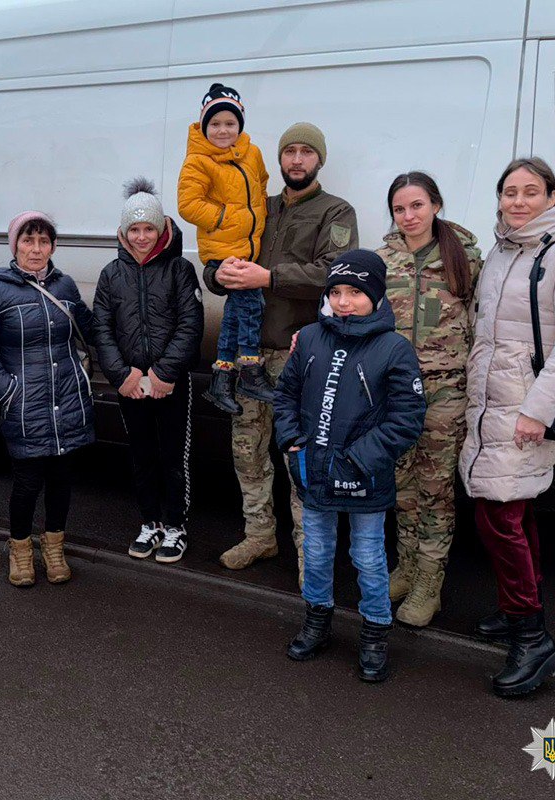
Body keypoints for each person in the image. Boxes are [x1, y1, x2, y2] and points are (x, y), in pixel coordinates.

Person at [458, 157, 555, 697]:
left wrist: (536, 410)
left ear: (551, 196)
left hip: (523, 405)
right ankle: (521, 603)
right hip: (491, 401)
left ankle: (533, 640)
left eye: (530, 192)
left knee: (500, 515)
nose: (518, 202)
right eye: (509, 192)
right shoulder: (503, 249)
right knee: (513, 510)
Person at [202, 122, 358, 579]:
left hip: (301, 357)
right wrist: (220, 275)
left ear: (319, 160)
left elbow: (334, 273)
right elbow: (216, 258)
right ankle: (259, 535)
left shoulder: (336, 212)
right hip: (248, 356)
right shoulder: (258, 208)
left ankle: (310, 550)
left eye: (305, 152)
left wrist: (267, 277)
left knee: (300, 455)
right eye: (289, 151)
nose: (296, 160)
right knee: (247, 449)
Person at [273, 249, 425, 682]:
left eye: (355, 293)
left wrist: (360, 458)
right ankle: (317, 619)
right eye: (336, 292)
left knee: (369, 558)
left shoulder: (394, 348)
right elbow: (285, 396)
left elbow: (407, 416)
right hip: (314, 471)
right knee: (317, 552)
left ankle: (376, 631)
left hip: (365, 477)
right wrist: (293, 442)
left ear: (375, 296)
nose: (343, 302)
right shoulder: (310, 339)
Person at [0, 211, 95, 587]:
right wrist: (7, 389)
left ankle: (53, 547)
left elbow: (88, 328)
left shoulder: (65, 286)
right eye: (28, 240)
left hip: (66, 396)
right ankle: (20, 549)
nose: (36, 249)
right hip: (26, 401)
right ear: (15, 245)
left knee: (61, 479)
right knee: (26, 481)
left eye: (43, 241)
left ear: (53, 246)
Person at [378, 172, 484, 627]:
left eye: (417, 205)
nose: (409, 216)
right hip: (396, 392)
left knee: (435, 487)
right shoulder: (382, 260)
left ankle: (429, 582)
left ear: (436, 205)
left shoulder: (466, 258)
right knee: (401, 485)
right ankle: (406, 566)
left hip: (445, 391)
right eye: (400, 209)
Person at [93, 178, 204, 563]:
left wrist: (163, 374)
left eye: (148, 228)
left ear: (161, 229)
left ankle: (175, 526)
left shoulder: (179, 270)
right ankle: (150, 523)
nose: (142, 237)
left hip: (170, 385)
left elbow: (191, 325)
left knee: (173, 455)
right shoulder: (111, 274)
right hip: (129, 385)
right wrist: (122, 376)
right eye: (134, 229)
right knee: (141, 454)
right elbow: (102, 328)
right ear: (124, 232)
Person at [177, 82, 272, 412]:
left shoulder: (252, 153)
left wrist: (256, 214)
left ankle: (220, 379)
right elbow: (188, 204)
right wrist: (225, 216)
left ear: (240, 125)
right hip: (222, 251)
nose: (222, 130)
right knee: (252, 306)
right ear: (204, 126)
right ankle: (248, 367)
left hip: (247, 248)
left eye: (230, 123)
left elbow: (261, 182)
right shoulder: (198, 161)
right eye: (215, 123)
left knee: (234, 314)